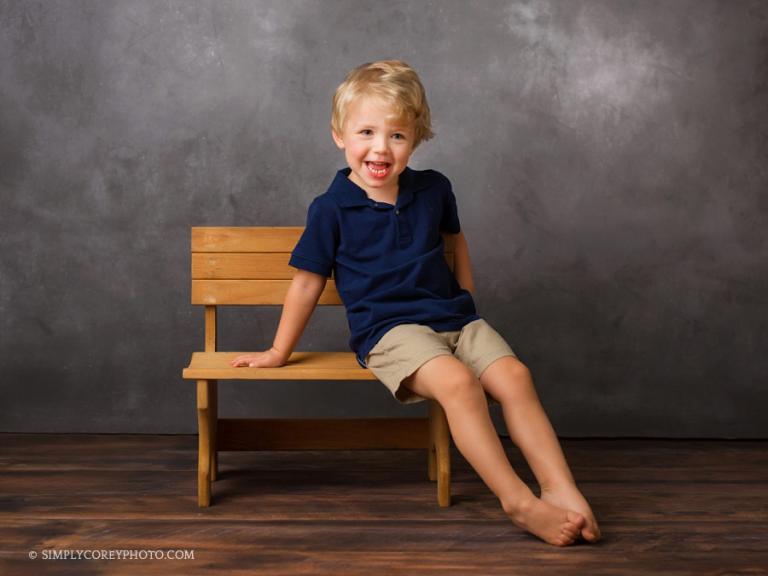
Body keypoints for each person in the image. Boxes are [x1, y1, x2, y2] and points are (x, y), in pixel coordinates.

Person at [231, 60, 601, 547]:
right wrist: (279, 351)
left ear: (417, 138)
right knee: (459, 384)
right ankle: (519, 502)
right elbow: (306, 283)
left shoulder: (433, 189)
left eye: (398, 136)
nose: (381, 148)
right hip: (388, 330)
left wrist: (468, 300)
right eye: (366, 132)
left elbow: (456, 240)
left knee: (515, 376)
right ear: (339, 136)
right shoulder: (331, 208)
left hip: (454, 318)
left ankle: (562, 489)